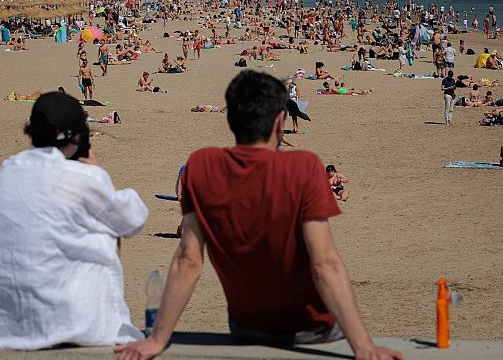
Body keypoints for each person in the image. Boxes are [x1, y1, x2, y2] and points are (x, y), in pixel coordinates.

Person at [115, 70, 403, 360]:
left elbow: (188, 260)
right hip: (312, 330)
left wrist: (157, 339)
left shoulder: (202, 165)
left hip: (246, 327)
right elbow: (325, 264)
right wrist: (364, 346)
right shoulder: (303, 167)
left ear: (230, 119)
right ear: (280, 120)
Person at [0, 92, 147, 351]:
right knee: (108, 225)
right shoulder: (84, 176)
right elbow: (133, 220)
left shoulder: (8, 169)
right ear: (78, 136)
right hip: (74, 322)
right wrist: (96, 170)